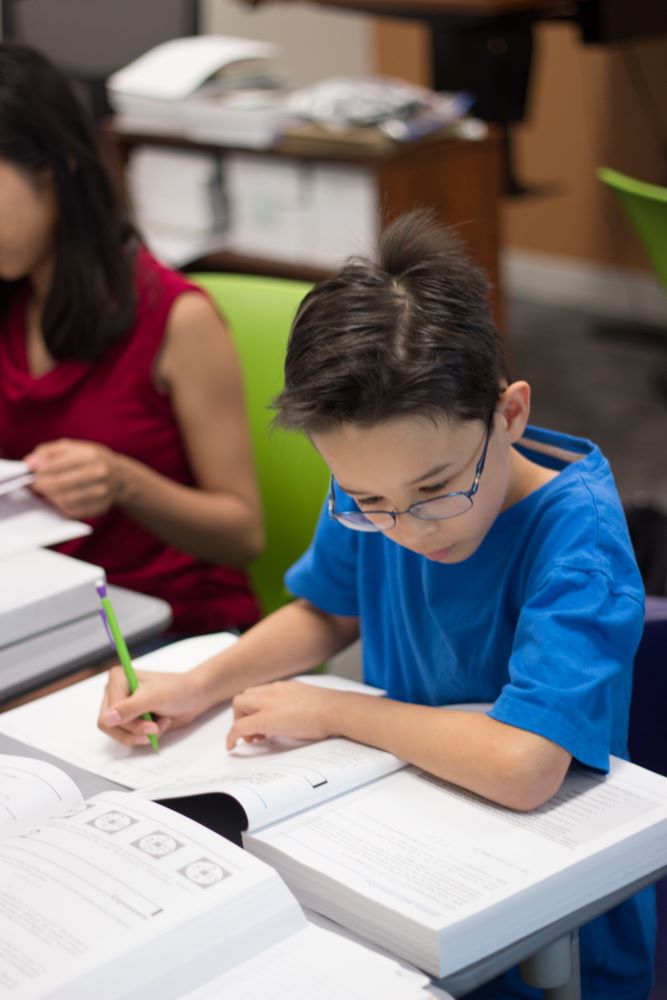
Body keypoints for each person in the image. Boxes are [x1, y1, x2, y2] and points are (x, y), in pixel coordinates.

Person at [99, 210, 654, 999]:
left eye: (435, 489)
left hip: (551, 914)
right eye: (366, 501)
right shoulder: (381, 484)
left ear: (508, 414)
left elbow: (525, 764)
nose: (408, 529)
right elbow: (328, 610)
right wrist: (199, 683)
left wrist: (334, 710)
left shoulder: (577, 542)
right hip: (410, 843)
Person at [0, 43, 263, 636]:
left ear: (57, 168)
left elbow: (243, 534)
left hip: (167, 625)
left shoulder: (177, 318)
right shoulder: (10, 297)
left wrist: (123, 481)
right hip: (45, 612)